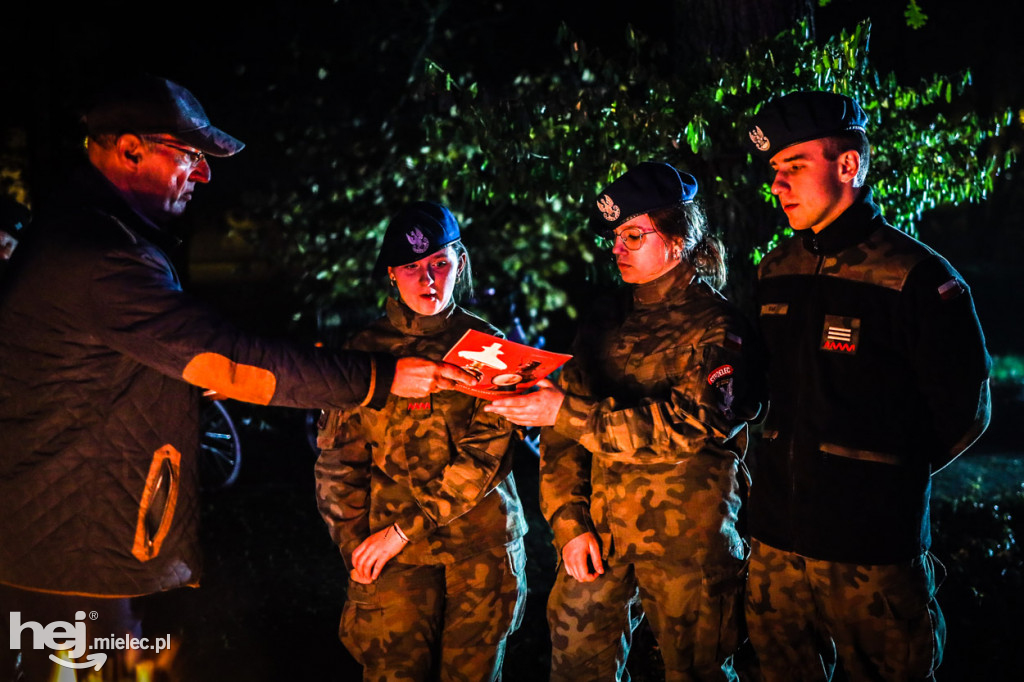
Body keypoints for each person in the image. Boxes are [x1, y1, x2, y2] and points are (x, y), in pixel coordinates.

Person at [0, 74, 471, 682]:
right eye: (190, 156)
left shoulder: (91, 233)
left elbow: (117, 365)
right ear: (129, 150)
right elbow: (231, 358)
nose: (204, 175)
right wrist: (382, 377)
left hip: (70, 535)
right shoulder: (99, 256)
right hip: (65, 549)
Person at [742, 91, 991, 681]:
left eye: (794, 166)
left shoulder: (916, 277)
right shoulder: (775, 271)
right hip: (775, 541)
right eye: (774, 171)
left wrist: (880, 473)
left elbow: (966, 411)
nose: (777, 186)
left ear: (849, 165)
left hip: (872, 553)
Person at [487, 162, 765, 681]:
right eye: (615, 237)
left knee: (697, 672)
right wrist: (569, 523)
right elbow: (561, 435)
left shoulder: (718, 326)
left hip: (690, 545)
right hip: (601, 536)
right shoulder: (603, 319)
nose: (618, 249)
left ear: (678, 239)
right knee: (577, 669)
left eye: (633, 235)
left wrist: (563, 411)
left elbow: (690, 426)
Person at [313, 201, 528, 682]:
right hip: (394, 560)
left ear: (461, 263)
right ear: (392, 274)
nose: (427, 279)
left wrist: (401, 530)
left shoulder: (489, 349)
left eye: (439, 263)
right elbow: (337, 464)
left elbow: (483, 461)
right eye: (411, 267)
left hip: (481, 552)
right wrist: (357, 548)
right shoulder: (363, 355)